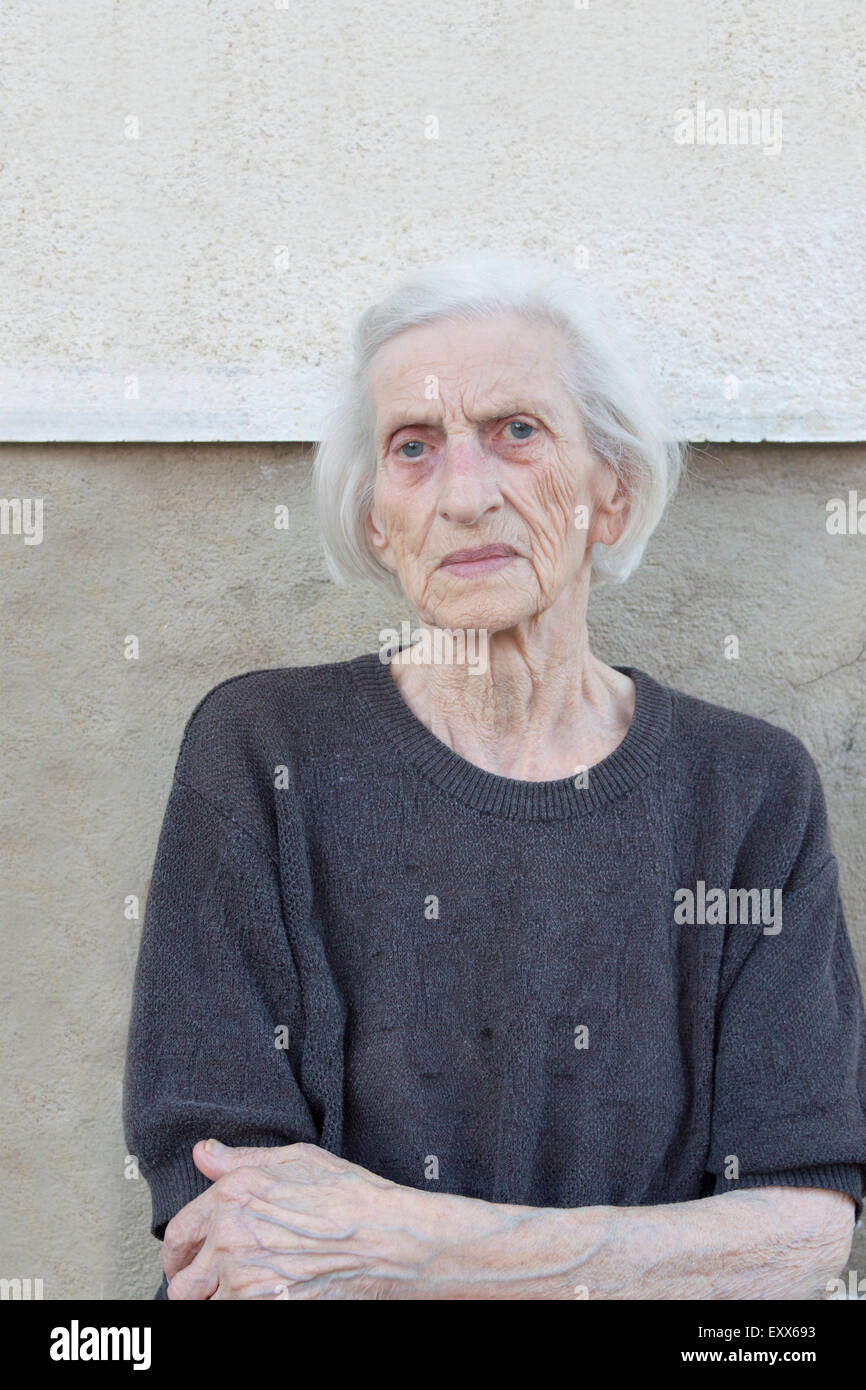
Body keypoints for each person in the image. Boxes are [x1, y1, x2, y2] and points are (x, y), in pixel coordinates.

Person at [124, 253, 866, 1299]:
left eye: (516, 432)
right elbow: (235, 1229)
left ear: (610, 492)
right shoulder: (263, 751)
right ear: (379, 521)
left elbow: (795, 1237)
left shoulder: (746, 791)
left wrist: (405, 1247)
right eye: (413, 447)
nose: (466, 495)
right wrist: (640, 1263)